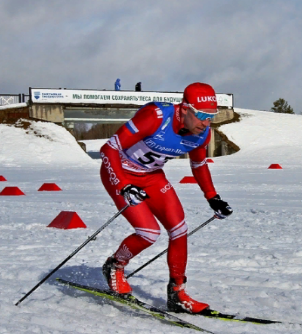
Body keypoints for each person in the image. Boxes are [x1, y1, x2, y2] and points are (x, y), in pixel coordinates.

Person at [98, 82, 233, 313]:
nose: (206, 122)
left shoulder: (202, 133)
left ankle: (177, 294)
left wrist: (213, 197)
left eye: (212, 116)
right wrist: (123, 185)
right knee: (149, 232)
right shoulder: (155, 117)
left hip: (151, 177)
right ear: (184, 109)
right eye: (201, 115)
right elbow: (108, 149)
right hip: (119, 173)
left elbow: (199, 165)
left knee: (179, 229)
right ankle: (115, 266)